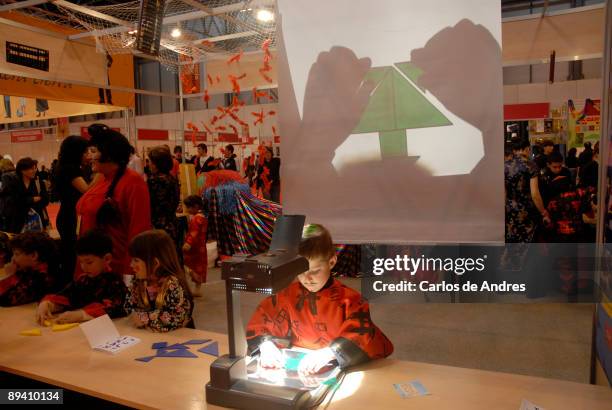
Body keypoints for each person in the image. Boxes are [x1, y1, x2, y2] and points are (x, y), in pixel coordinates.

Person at [246, 224, 393, 374]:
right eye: (300, 271)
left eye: (315, 271)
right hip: (301, 364)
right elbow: (261, 323)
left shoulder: (351, 301)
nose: (307, 279)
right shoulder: (286, 295)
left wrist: (330, 353)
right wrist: (266, 346)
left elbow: (362, 336)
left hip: (340, 367)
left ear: (331, 262)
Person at [75, 124, 151, 278]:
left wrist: (131, 273)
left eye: (94, 151)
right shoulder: (102, 179)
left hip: (115, 271)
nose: (89, 157)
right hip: (90, 268)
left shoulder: (132, 182)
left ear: (109, 155)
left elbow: (139, 229)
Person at [36, 230, 127, 325]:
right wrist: (48, 304)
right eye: (81, 262)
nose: (83, 267)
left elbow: (116, 308)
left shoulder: (115, 282)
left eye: (89, 262)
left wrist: (82, 315)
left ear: (107, 259)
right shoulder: (83, 280)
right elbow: (67, 296)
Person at [124, 230, 194, 332]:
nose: (131, 265)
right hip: (147, 336)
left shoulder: (173, 284)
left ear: (155, 263)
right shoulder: (138, 282)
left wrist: (144, 318)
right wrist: (136, 315)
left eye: (136, 260)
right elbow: (129, 306)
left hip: (177, 339)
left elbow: (175, 318)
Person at [54, 135, 100, 287]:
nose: (88, 156)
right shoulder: (69, 169)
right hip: (69, 216)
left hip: (70, 215)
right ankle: (66, 286)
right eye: (85, 152)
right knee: (70, 255)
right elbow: (86, 190)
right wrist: (100, 175)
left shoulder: (74, 167)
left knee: (72, 253)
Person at [505, 138, 549, 244]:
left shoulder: (505, 165)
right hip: (527, 210)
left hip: (510, 209)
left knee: (512, 242)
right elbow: (535, 193)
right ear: (527, 149)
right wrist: (543, 211)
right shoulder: (530, 165)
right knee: (528, 241)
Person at [0, 232, 57, 306]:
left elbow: (6, 300)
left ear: (33, 255)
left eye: (17, 254)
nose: (13, 259)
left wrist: (10, 276)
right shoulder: (28, 270)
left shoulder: (43, 277)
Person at [0, 157, 49, 233]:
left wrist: (26, 201)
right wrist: (32, 199)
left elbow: (45, 200)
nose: (34, 171)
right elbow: (14, 201)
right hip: (17, 222)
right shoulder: (14, 183)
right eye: (32, 169)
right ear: (23, 170)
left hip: (37, 220)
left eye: (35, 168)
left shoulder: (38, 182)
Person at [147, 146, 180, 244]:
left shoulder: (154, 181)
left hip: (157, 227)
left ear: (157, 164)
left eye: (151, 162)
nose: (149, 165)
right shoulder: (172, 178)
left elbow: (150, 206)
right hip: (171, 224)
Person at [182, 195, 208, 296]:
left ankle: (193, 275)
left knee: (187, 264)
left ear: (196, 206)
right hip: (201, 246)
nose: (187, 209)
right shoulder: (203, 216)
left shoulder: (196, 219)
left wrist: (188, 242)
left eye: (189, 207)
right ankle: (197, 290)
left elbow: (194, 232)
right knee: (199, 267)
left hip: (194, 247)